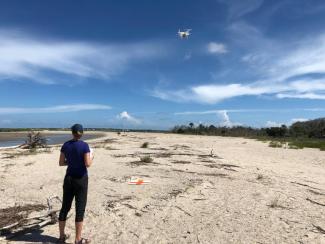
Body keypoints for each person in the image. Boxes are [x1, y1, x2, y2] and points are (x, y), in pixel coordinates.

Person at [57, 124, 92, 244]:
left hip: (69, 179)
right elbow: (87, 163)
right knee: (80, 209)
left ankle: (61, 237)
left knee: (65, 208)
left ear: (72, 133)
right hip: (81, 179)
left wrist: (71, 162)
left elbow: (61, 163)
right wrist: (92, 157)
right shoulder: (85, 145)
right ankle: (78, 239)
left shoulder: (66, 145)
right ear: (82, 133)